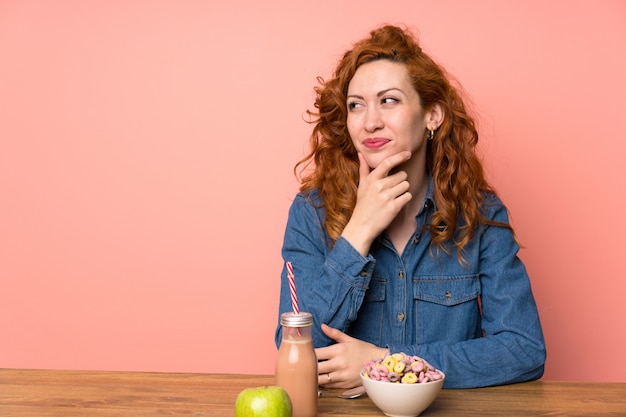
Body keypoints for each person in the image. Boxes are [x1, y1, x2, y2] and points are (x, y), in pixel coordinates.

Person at [275, 24, 546, 389]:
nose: (370, 121)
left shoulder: (480, 214)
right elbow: (298, 353)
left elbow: (524, 350)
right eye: (356, 106)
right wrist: (358, 232)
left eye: (389, 100)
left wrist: (388, 362)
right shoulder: (311, 213)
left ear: (432, 116)